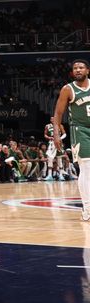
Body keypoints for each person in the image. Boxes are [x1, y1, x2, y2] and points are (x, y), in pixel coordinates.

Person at [52, 59, 90, 221]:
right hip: (80, 130)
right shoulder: (68, 89)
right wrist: (56, 134)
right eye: (75, 68)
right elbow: (58, 114)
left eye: (81, 67)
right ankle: (87, 209)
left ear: (87, 70)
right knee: (87, 167)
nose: (78, 70)